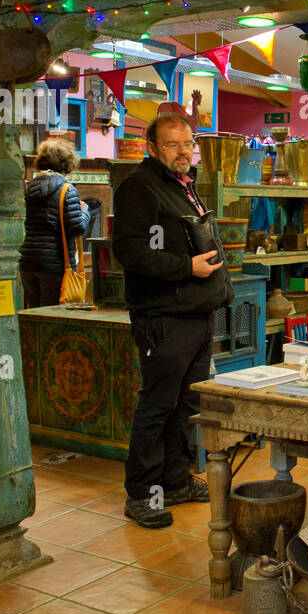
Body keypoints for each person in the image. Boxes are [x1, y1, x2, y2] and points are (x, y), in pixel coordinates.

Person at [113, 115, 232, 528]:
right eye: (172, 144)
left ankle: (176, 482)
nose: (183, 151)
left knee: (185, 405)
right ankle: (143, 494)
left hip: (196, 313)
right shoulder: (139, 188)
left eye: (188, 143)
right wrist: (186, 267)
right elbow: (131, 252)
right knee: (158, 406)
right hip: (163, 317)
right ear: (152, 147)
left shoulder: (184, 186)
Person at [19, 139, 90, 308]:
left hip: (27, 261)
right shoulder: (66, 189)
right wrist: (85, 212)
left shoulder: (28, 188)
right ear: (67, 164)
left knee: (34, 313)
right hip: (54, 264)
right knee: (51, 315)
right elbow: (76, 227)